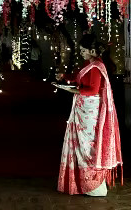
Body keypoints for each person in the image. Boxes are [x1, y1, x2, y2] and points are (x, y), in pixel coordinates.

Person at [55, 34, 122, 197]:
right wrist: (65, 77)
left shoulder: (98, 67)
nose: (81, 53)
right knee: (81, 144)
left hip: (90, 111)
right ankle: (81, 183)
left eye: (84, 51)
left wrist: (73, 90)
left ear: (92, 51)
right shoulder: (89, 64)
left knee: (88, 145)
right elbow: (78, 76)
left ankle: (93, 184)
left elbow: (92, 90)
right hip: (82, 108)